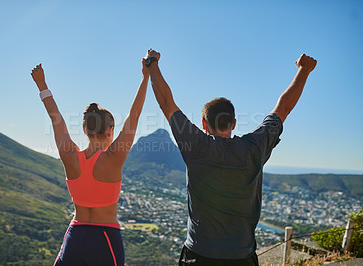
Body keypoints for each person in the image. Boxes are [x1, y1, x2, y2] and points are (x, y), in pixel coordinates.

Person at [144, 49, 317, 265]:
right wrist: (304, 70)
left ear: (204, 124)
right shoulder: (254, 147)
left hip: (199, 255)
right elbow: (283, 108)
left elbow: (166, 103)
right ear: (233, 124)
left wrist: (153, 64)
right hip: (241, 257)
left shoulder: (197, 146)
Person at [31, 57, 150, 266]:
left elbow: (55, 117)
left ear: (85, 129)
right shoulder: (113, 158)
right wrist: (146, 76)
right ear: (111, 130)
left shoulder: (69, 156)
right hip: (104, 238)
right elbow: (135, 115)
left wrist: (42, 85)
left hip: (75, 236)